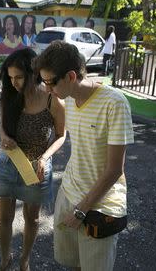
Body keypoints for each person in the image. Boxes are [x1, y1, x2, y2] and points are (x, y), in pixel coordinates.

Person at [33, 41, 134, 271]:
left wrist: (82, 209)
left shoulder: (114, 103)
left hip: (100, 205)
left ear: (70, 76)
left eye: (50, 82)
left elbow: (115, 169)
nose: (47, 89)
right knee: (73, 263)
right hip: (69, 192)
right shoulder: (68, 98)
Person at [0, 48, 66, 271]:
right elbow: (2, 128)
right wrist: (4, 138)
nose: (13, 83)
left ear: (33, 74)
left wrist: (45, 157)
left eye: (19, 77)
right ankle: (5, 259)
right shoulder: (10, 95)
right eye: (10, 77)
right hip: (7, 164)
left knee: (32, 219)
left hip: (37, 169)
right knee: (4, 218)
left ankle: (25, 259)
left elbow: (61, 136)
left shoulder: (52, 100)